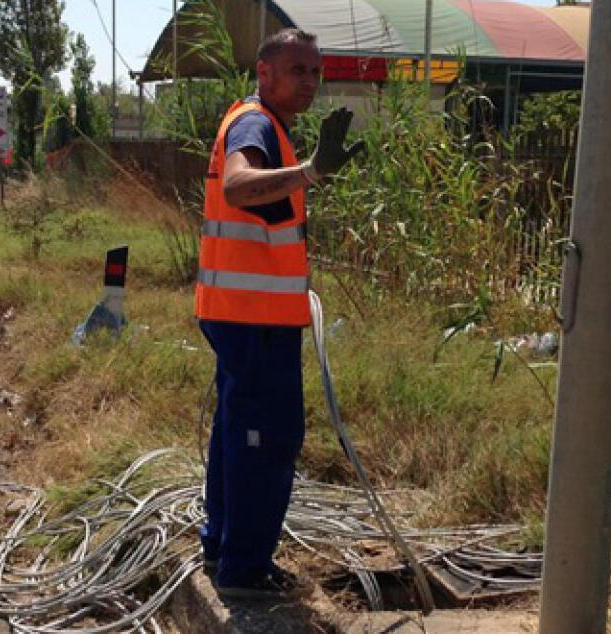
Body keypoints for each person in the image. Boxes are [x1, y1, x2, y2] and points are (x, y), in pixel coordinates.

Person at [195, 28, 364, 601]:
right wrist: (311, 171)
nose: (310, 82)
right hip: (253, 318)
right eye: (298, 70)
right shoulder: (255, 125)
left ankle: (224, 548)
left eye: (315, 72)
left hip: (245, 313)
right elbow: (239, 186)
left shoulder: (270, 127)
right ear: (264, 73)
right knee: (266, 439)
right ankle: (244, 570)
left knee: (238, 432)